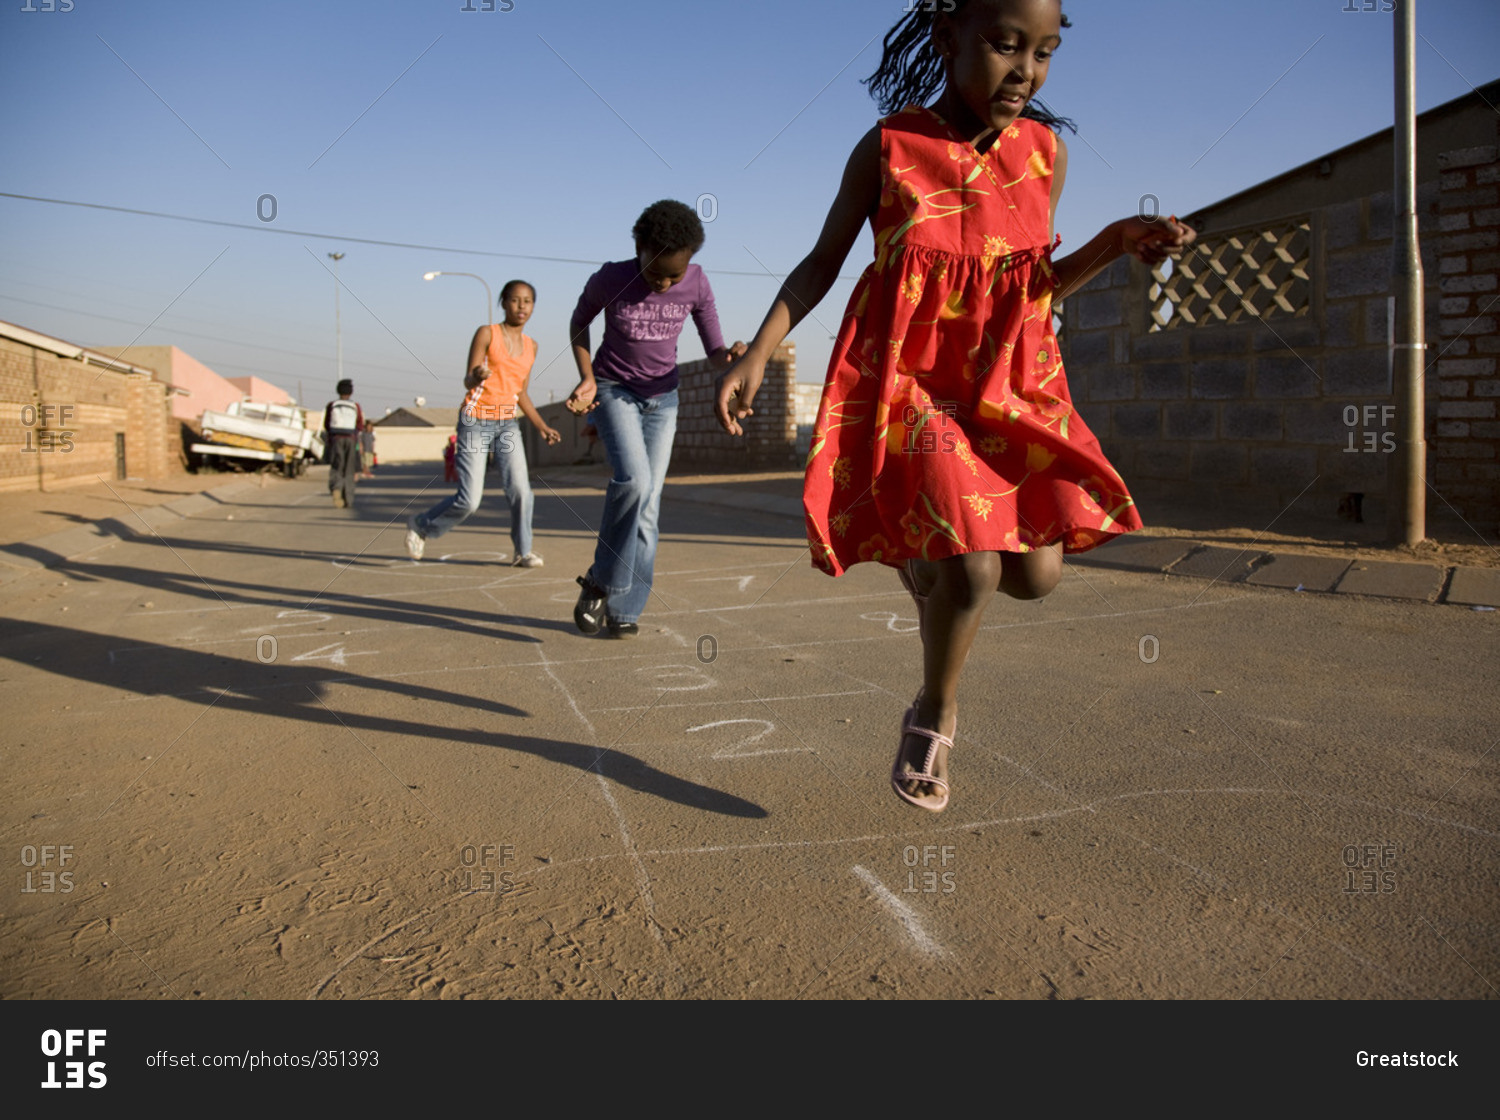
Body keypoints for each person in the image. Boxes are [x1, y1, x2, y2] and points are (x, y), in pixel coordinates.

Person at [714, 0, 1194, 812]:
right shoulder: (892, 147)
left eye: (1045, 52)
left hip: (1010, 387)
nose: (1027, 71)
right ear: (947, 39)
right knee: (970, 567)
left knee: (1036, 575)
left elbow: (1034, 286)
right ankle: (934, 712)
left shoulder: (1045, 154)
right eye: (1007, 46)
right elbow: (821, 263)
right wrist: (759, 351)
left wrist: (1115, 239)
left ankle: (922, 558)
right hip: (916, 388)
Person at [566, 199, 745, 638]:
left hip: (663, 399)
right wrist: (586, 377)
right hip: (614, 389)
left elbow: (715, 351)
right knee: (634, 482)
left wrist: (735, 359)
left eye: (674, 275)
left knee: (649, 506)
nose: (664, 283)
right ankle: (601, 581)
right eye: (654, 272)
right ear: (639, 248)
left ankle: (626, 608)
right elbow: (578, 323)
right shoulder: (611, 277)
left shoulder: (698, 284)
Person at [405, 280, 561, 567]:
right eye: (515, 300)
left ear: (533, 306)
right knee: (469, 500)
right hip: (475, 420)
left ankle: (522, 551)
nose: (521, 306)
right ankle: (421, 525)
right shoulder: (487, 334)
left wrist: (541, 425)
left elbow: (521, 392)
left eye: (527, 301)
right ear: (504, 302)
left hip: (507, 424)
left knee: (522, 492)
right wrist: (477, 375)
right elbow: (467, 379)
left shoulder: (532, 346)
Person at [323, 378, 363, 508]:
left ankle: (336, 488)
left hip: (336, 439)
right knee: (349, 469)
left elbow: (327, 425)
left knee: (337, 467)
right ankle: (348, 499)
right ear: (351, 392)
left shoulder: (332, 405)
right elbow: (360, 425)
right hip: (351, 439)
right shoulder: (355, 406)